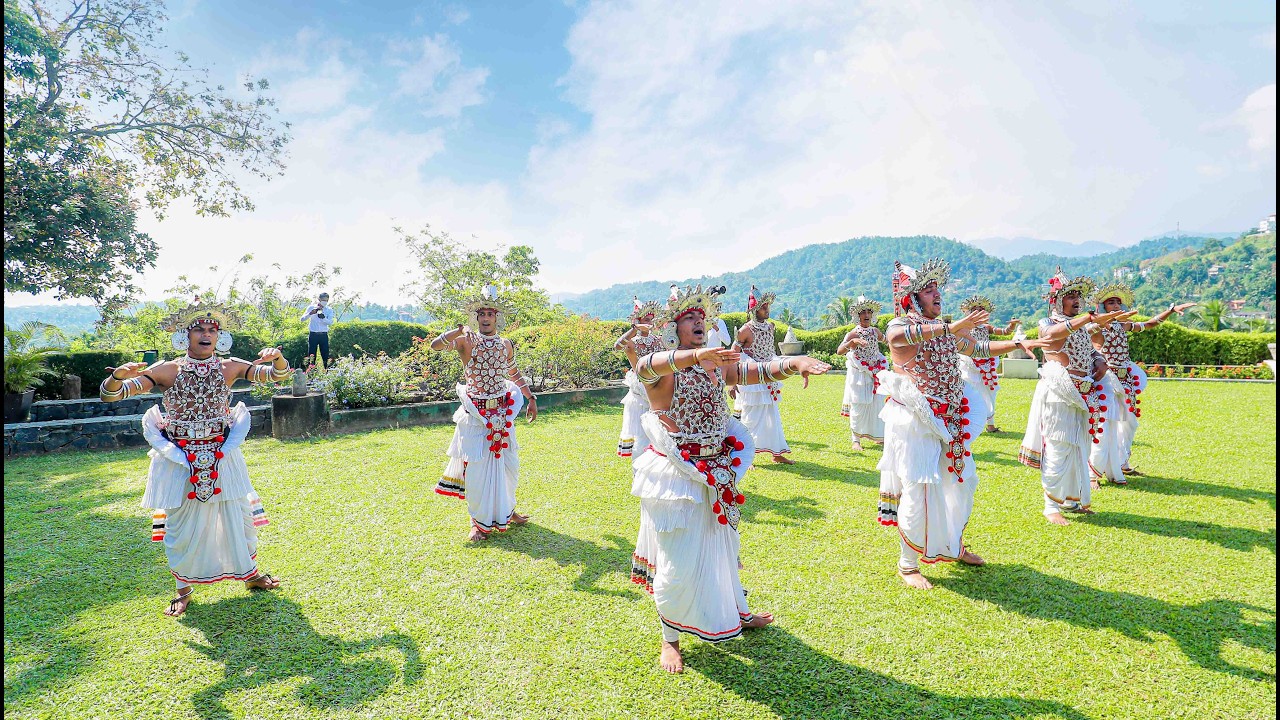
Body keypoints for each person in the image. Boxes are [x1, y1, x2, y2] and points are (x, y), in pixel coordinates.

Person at [630, 285, 830, 672]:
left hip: (718, 470)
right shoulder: (662, 370)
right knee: (678, 558)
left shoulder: (716, 364)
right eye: (689, 318)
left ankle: (737, 610)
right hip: (676, 477)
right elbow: (645, 367)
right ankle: (669, 638)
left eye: (701, 318)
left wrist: (794, 363)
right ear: (673, 329)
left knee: (724, 547)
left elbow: (755, 371)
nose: (699, 322)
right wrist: (694, 356)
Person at [101, 300, 292, 616]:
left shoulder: (230, 366)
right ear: (184, 336)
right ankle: (183, 590)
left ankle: (250, 575)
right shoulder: (167, 369)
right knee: (180, 527)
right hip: (179, 458)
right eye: (199, 330)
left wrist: (278, 358)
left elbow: (276, 376)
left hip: (223, 453)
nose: (206, 335)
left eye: (212, 330)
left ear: (220, 336)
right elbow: (111, 394)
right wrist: (117, 378)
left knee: (237, 517)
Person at [878, 260, 1051, 589]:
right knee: (919, 488)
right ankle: (908, 564)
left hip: (952, 418)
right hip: (915, 420)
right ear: (911, 298)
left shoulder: (943, 328)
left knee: (962, 482)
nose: (937, 294)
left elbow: (978, 348)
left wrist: (1016, 344)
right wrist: (952, 327)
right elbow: (899, 336)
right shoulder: (899, 325)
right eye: (928, 291)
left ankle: (953, 545)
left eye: (937, 289)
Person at [1019, 269, 1136, 526]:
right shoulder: (1047, 322)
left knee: (1080, 447)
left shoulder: (1081, 325)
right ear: (1057, 301)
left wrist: (1099, 360)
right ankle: (1051, 506)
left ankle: (1071, 501)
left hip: (1084, 392)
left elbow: (1090, 349)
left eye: (1078, 296)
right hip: (1059, 393)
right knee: (1059, 446)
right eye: (1070, 296)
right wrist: (1087, 320)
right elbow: (1051, 336)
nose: (1076, 300)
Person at [430, 284, 538, 541]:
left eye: (490, 314)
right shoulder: (466, 341)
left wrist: (530, 397)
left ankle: (507, 511)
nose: (486, 318)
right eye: (482, 314)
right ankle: (476, 523)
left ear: (497, 317)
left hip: (503, 414)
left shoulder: (505, 344)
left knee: (508, 467)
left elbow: (513, 372)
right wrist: (457, 331)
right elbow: (435, 345)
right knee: (477, 471)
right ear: (476, 317)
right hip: (476, 415)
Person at [1087, 282, 1195, 483]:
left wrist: (1171, 310)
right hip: (1107, 381)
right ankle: (1093, 475)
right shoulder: (1096, 328)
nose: (1116, 305)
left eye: (1118, 302)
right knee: (1105, 425)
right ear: (1102, 307)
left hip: (1125, 379)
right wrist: (1103, 319)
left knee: (1130, 423)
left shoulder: (1123, 325)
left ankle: (1121, 464)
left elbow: (1150, 324)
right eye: (1111, 303)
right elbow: (1088, 333)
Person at [732, 285, 793, 463]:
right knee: (750, 417)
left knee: (772, 414)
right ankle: (746, 456)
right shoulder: (745, 330)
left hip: (769, 377)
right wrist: (732, 382)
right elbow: (734, 354)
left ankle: (777, 453)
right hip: (752, 379)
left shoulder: (771, 327)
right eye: (763, 307)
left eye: (768, 306)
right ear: (754, 309)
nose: (767, 310)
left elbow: (770, 351)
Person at [955, 296, 1020, 433]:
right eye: (976, 310)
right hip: (969, 364)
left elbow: (1005, 332)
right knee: (970, 393)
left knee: (990, 392)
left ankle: (990, 425)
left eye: (981, 310)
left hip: (986, 364)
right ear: (969, 313)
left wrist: (1012, 325)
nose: (979, 313)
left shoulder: (986, 327)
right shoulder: (963, 328)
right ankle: (966, 423)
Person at [615, 296, 668, 457]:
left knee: (660, 432)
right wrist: (634, 329)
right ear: (637, 321)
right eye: (646, 320)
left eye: (651, 320)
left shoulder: (659, 340)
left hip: (659, 386)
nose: (649, 323)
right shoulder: (632, 342)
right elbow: (617, 346)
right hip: (640, 389)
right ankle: (640, 464)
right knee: (641, 435)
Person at [836, 296, 887, 450]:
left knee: (877, 404)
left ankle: (878, 436)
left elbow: (887, 341)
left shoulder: (875, 331)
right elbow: (839, 351)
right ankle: (856, 440)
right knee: (858, 405)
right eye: (863, 312)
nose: (866, 315)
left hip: (876, 371)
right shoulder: (853, 333)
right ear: (858, 316)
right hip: (859, 375)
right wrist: (852, 342)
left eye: (869, 312)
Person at [300, 292, 334, 368]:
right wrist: (310, 313)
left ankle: (327, 371)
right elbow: (302, 319)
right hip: (313, 334)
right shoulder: (311, 307)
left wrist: (323, 318)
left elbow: (330, 322)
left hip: (323, 335)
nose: (325, 302)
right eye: (323, 300)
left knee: (325, 355)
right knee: (312, 355)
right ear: (319, 299)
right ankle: (311, 372)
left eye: (326, 300)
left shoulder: (329, 310)